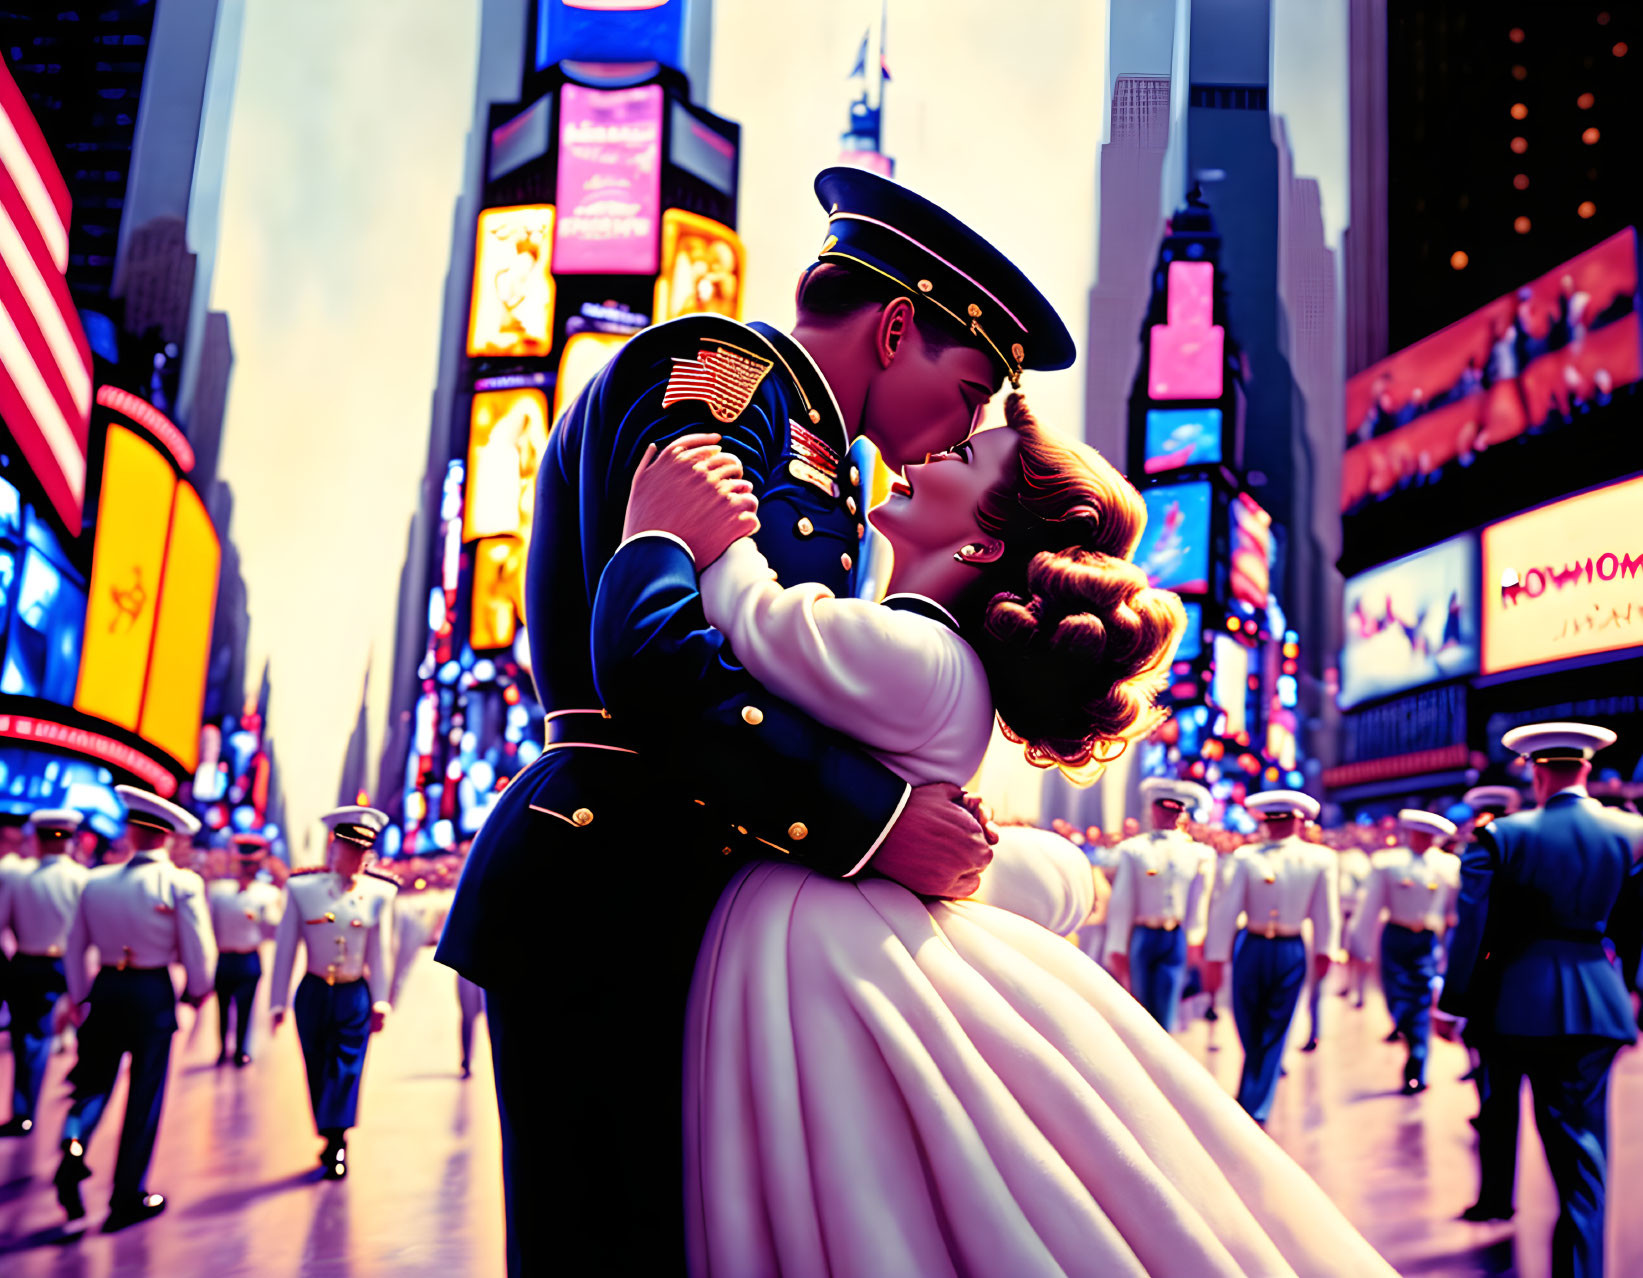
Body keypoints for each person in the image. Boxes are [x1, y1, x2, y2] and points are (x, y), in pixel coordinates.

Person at [605, 393, 1395, 1276]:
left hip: (819, 949)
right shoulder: (931, 657)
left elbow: (744, 620)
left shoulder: (911, 652)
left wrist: (672, 527)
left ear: (980, 543)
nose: (934, 453)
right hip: (826, 931)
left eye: (964, 457)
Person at [437, 167, 1053, 1273]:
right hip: (611, 876)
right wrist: (874, 821)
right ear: (897, 326)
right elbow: (656, 651)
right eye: (966, 392)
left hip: (676, 881)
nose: (960, 431)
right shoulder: (723, 372)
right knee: (608, 1245)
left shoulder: (820, 448)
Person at [1439, 724, 1643, 1275]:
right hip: (1597, 1003)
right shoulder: (1633, 833)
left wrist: (1453, 1004)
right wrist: (1632, 989)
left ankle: (1494, 1199)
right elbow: (1636, 925)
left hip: (1511, 1003)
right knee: (1583, 1156)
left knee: (1498, 1108)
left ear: (1535, 770)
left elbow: (1472, 929)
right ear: (1588, 768)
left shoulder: (1501, 837)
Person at [53, 787, 215, 1231]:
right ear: (168, 837)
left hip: (105, 987)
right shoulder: (181, 883)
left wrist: (79, 994)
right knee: (144, 1095)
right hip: (151, 991)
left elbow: (73, 947)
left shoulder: (96, 881)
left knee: (93, 1081)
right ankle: (126, 1196)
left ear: (130, 830)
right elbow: (199, 951)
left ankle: (74, 1138)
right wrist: (198, 990)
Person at [269, 806, 397, 1180]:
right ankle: (328, 1131)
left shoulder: (380, 893)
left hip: (353, 993)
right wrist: (277, 1001)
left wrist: (381, 999)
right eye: (350, 849)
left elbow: (381, 950)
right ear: (333, 847)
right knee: (317, 1065)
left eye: (364, 851)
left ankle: (337, 1140)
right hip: (312, 991)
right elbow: (285, 947)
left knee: (346, 1069)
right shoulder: (302, 889)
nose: (358, 858)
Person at [1203, 790, 1339, 1125]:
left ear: (1299, 821)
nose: (1277, 827)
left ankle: (1255, 1103)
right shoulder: (1246, 857)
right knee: (1246, 1020)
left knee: (1276, 1025)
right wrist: (1215, 956)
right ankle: (1254, 1083)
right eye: (1271, 820)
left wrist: (1326, 950)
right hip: (1252, 944)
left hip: (1290, 947)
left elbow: (1326, 911)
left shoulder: (1320, 859)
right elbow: (1226, 910)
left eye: (1285, 820)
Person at [1349, 810, 1460, 1094]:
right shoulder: (1388, 863)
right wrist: (1360, 945)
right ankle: (1409, 1035)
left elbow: (1453, 912)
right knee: (1397, 999)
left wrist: (1451, 952)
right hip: (1396, 937)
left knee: (1421, 1000)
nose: (1423, 839)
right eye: (1418, 833)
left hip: (1426, 939)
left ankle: (1417, 1064)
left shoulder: (1448, 866)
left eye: (1429, 835)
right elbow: (1370, 905)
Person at [0, 810, 89, 1135]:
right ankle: (78, 1105)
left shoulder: (18, 876)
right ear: (70, 840)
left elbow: (1, 922)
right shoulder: (82, 879)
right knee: (80, 1030)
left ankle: (24, 1112)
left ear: (36, 838)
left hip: (27, 963)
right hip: (69, 964)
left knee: (28, 1039)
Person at [1103, 778, 1214, 1031]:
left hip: (1174, 935)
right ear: (1153, 810)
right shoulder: (1135, 850)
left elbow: (1199, 899)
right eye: (1163, 808)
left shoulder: (1198, 853)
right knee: (1139, 1008)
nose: (1169, 815)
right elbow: (1123, 901)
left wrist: (1196, 938)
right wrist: (1117, 945)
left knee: (1166, 1009)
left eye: (1175, 810)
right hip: (1143, 934)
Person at [207, 833, 283, 1067]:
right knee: (221, 1007)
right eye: (244, 862)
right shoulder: (219, 891)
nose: (247, 867)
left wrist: (262, 916)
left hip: (249, 957)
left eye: (252, 863)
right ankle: (222, 1047)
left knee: (245, 1008)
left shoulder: (268, 894)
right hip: (224, 956)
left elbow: (274, 930)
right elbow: (209, 925)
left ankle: (241, 1048)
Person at [1335, 841, 1373, 1009]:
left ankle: (1361, 993)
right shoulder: (1342, 858)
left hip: (1360, 912)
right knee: (1347, 953)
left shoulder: (1361, 861)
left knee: (1362, 955)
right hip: (1345, 910)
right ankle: (1348, 986)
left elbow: (1365, 886)